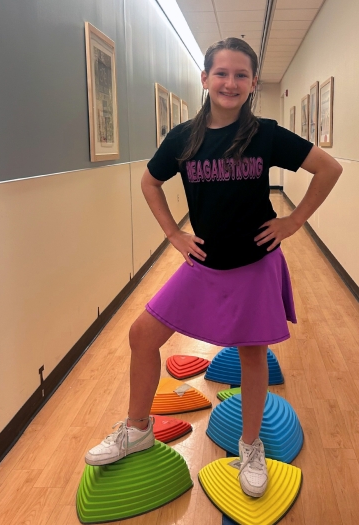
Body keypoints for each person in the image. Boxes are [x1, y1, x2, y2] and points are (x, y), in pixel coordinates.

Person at [84, 38, 342, 498]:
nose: (230, 82)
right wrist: (174, 234)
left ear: (253, 84)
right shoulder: (184, 137)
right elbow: (149, 182)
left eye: (241, 75)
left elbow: (328, 168)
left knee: (251, 354)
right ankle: (137, 428)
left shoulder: (266, 134)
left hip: (255, 263)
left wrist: (294, 220)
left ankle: (249, 444)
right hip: (203, 264)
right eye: (221, 73)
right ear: (205, 79)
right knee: (142, 335)